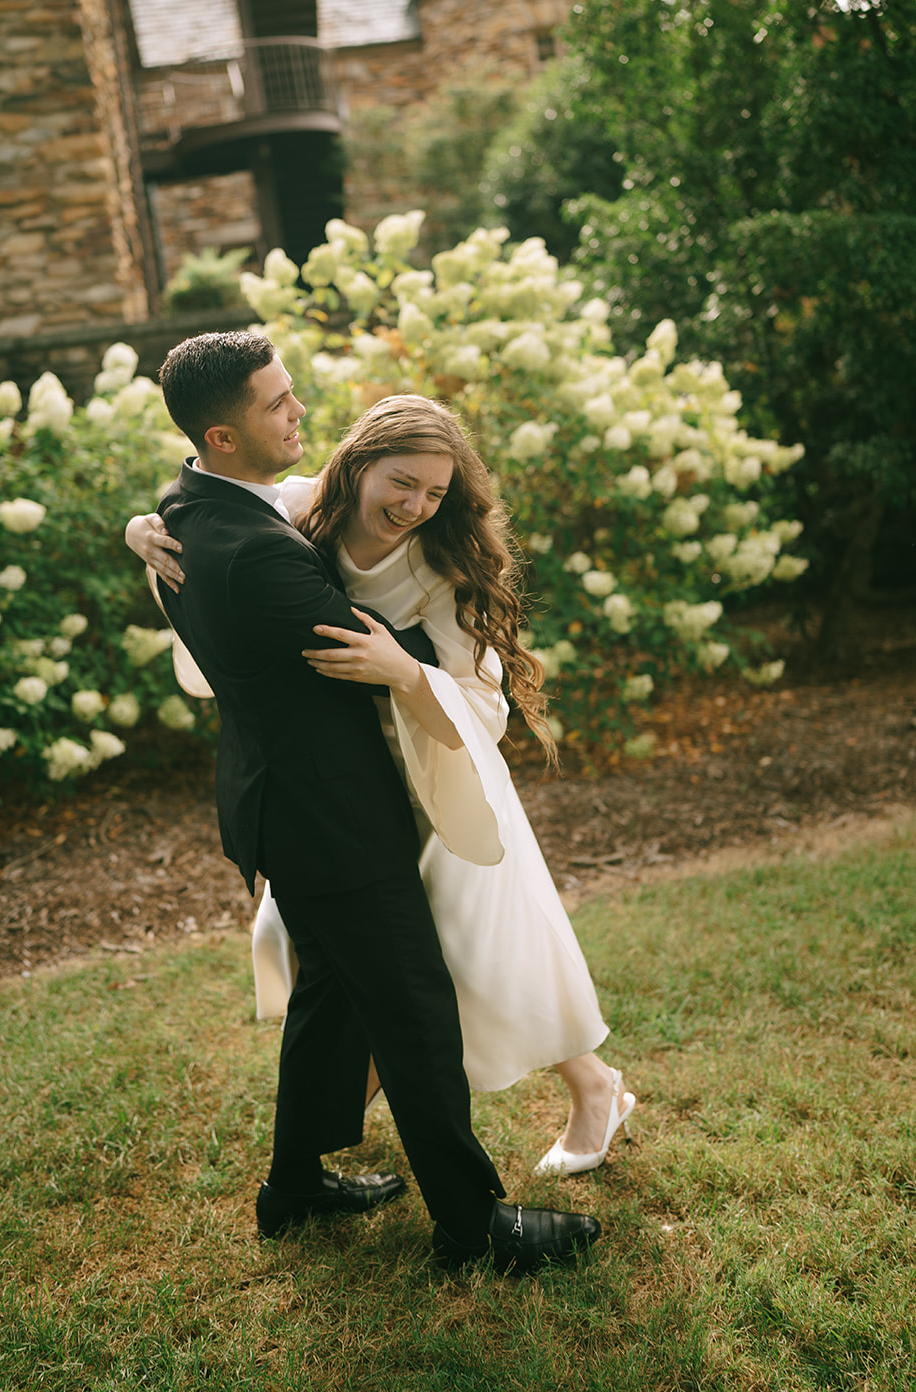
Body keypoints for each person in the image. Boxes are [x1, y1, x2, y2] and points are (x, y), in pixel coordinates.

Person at [138, 330, 601, 1273]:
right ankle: (475, 1230)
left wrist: (136, 526)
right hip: (334, 818)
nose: (299, 410)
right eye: (277, 402)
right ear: (222, 436)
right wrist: (414, 662)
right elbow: (374, 637)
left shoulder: (187, 511)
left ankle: (293, 1188)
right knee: (414, 1018)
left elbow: (215, 513)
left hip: (280, 803)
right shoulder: (264, 557)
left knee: (330, 1001)